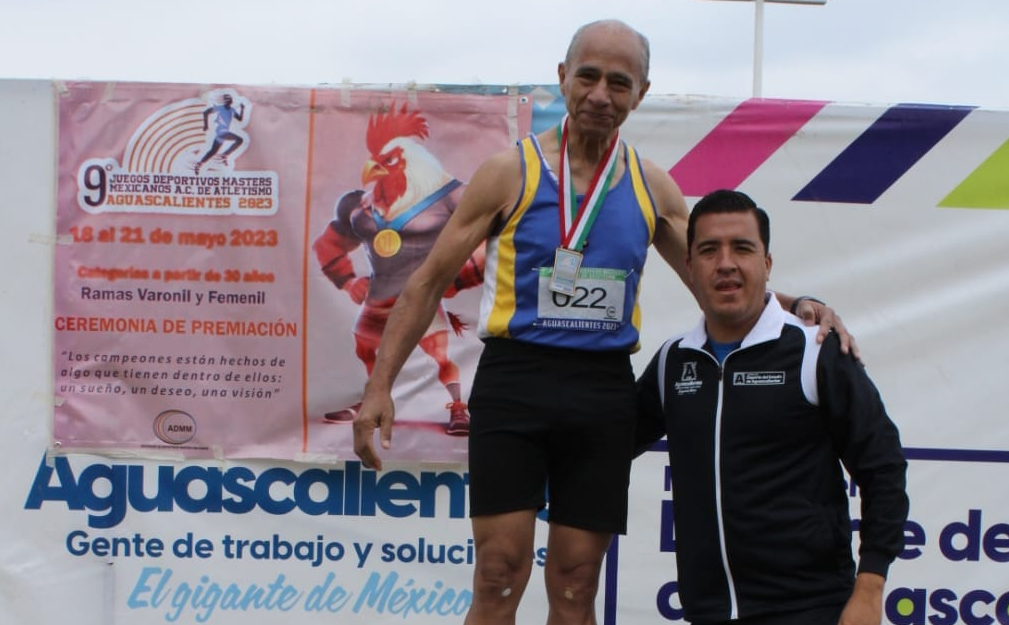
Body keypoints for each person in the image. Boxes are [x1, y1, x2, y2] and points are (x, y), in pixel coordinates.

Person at [353, 20, 853, 625]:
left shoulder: (650, 187)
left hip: (601, 390)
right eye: (587, 76)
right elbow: (427, 282)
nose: (600, 94)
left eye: (619, 82)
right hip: (517, 380)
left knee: (575, 583)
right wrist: (379, 386)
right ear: (562, 78)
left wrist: (796, 304)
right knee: (498, 574)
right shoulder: (508, 173)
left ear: (640, 93)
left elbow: (718, 279)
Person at [636, 189, 908, 625]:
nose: (726, 263)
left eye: (742, 248)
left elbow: (884, 468)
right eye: (709, 250)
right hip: (706, 613)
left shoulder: (816, 350)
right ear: (689, 267)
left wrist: (870, 588)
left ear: (766, 264)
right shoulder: (674, 361)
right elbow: (603, 443)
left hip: (812, 610)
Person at [195, 93, 245, 175]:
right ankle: (224, 155)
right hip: (221, 131)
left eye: (231, 100)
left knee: (212, 151)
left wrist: (242, 109)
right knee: (239, 140)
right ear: (226, 101)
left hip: (223, 134)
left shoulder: (232, 110)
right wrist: (206, 125)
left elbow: (239, 119)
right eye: (229, 100)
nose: (230, 101)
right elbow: (206, 112)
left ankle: (199, 164)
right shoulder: (220, 108)